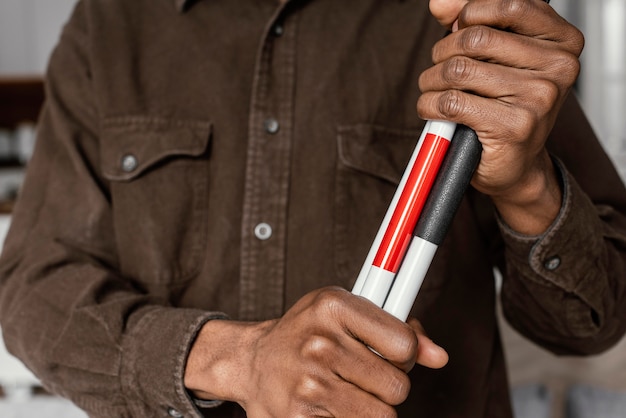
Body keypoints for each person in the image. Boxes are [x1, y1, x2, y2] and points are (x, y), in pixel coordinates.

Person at [1, 0, 625, 416]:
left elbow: (595, 325)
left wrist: (527, 188)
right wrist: (235, 360)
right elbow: (33, 287)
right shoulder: (109, 22)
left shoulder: (466, 29)